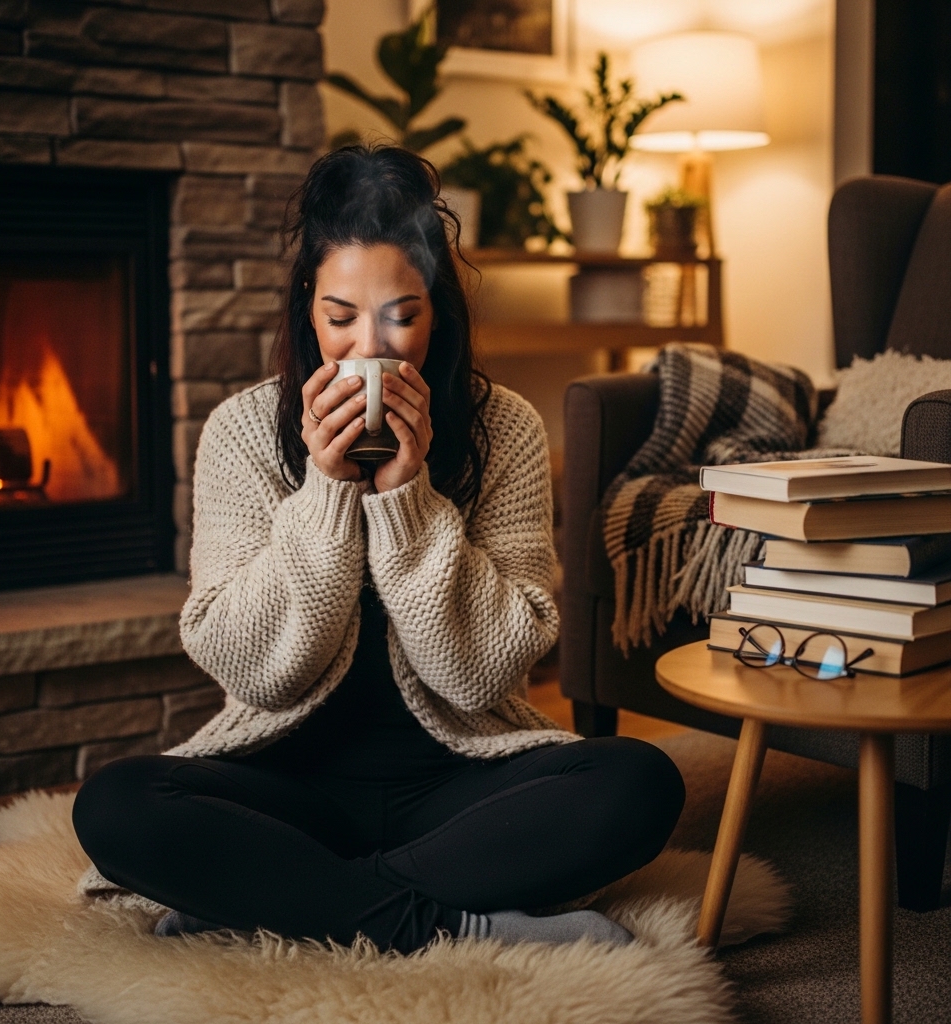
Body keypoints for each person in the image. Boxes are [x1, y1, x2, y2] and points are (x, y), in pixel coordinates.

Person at [72, 146, 685, 955]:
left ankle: (279, 898)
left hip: (456, 782)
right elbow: (256, 673)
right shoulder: (242, 432)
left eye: (402, 315)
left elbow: (481, 675)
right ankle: (454, 920)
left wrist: (408, 499)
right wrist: (325, 491)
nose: (372, 347)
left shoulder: (504, 428)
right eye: (342, 318)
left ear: (438, 311)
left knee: (639, 783)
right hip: (289, 783)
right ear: (307, 306)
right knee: (115, 805)